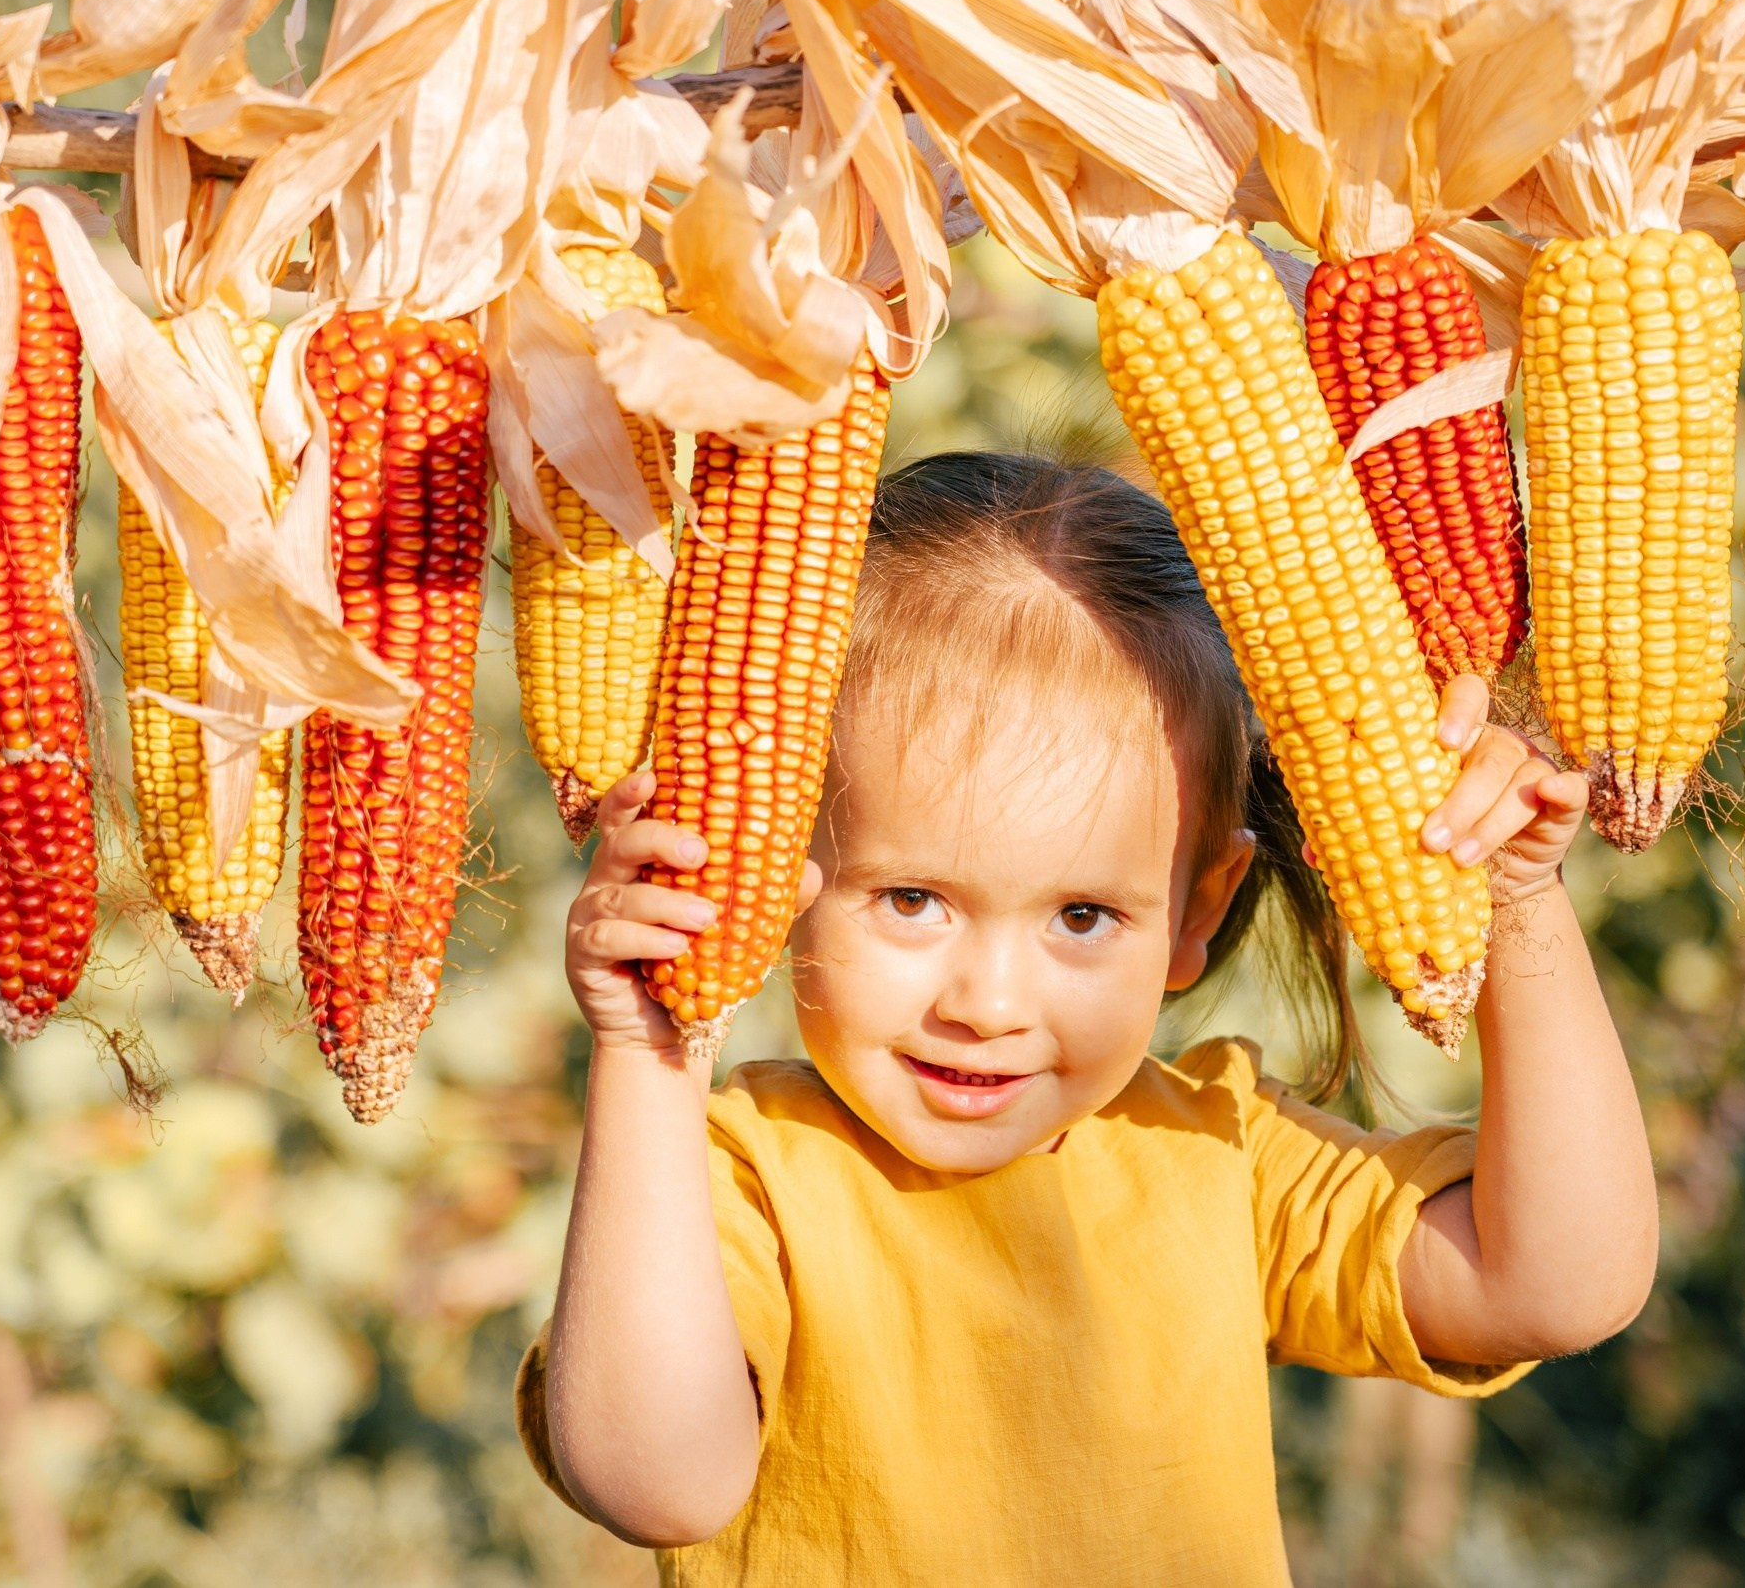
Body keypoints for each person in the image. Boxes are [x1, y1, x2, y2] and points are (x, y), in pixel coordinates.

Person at [518, 451, 1657, 1585]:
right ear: (779, 868)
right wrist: (649, 1052)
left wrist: (1515, 896)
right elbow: (656, 1481)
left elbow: (1557, 1285)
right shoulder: (735, 1185)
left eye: (1080, 916)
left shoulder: (1219, 1157)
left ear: (1195, 911)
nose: (986, 1005)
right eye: (912, 901)